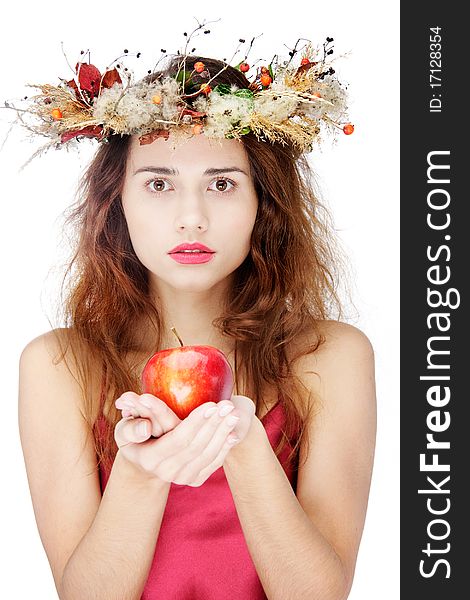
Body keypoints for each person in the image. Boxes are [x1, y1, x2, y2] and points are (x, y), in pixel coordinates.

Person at [17, 40, 376, 600]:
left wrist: (248, 449)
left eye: (222, 183)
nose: (192, 217)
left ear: (264, 202)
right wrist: (141, 474)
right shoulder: (62, 365)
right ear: (119, 202)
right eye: (159, 184)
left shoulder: (329, 356)